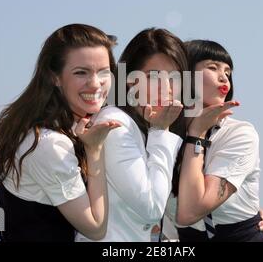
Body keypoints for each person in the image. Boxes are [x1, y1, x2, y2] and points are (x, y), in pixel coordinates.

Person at [0, 24, 121, 241]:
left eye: (104, 72)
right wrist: (94, 149)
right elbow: (95, 228)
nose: (96, 84)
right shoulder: (49, 144)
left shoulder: (43, 128)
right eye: (81, 72)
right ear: (54, 77)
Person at [76, 28, 186, 241]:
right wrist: (161, 131)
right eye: (153, 76)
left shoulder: (142, 127)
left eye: (175, 77)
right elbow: (152, 209)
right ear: (129, 79)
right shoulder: (115, 124)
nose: (166, 87)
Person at [170, 39, 263, 242]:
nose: (224, 78)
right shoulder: (162, 136)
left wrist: (197, 134)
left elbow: (190, 212)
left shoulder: (240, 134)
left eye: (228, 72)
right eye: (212, 67)